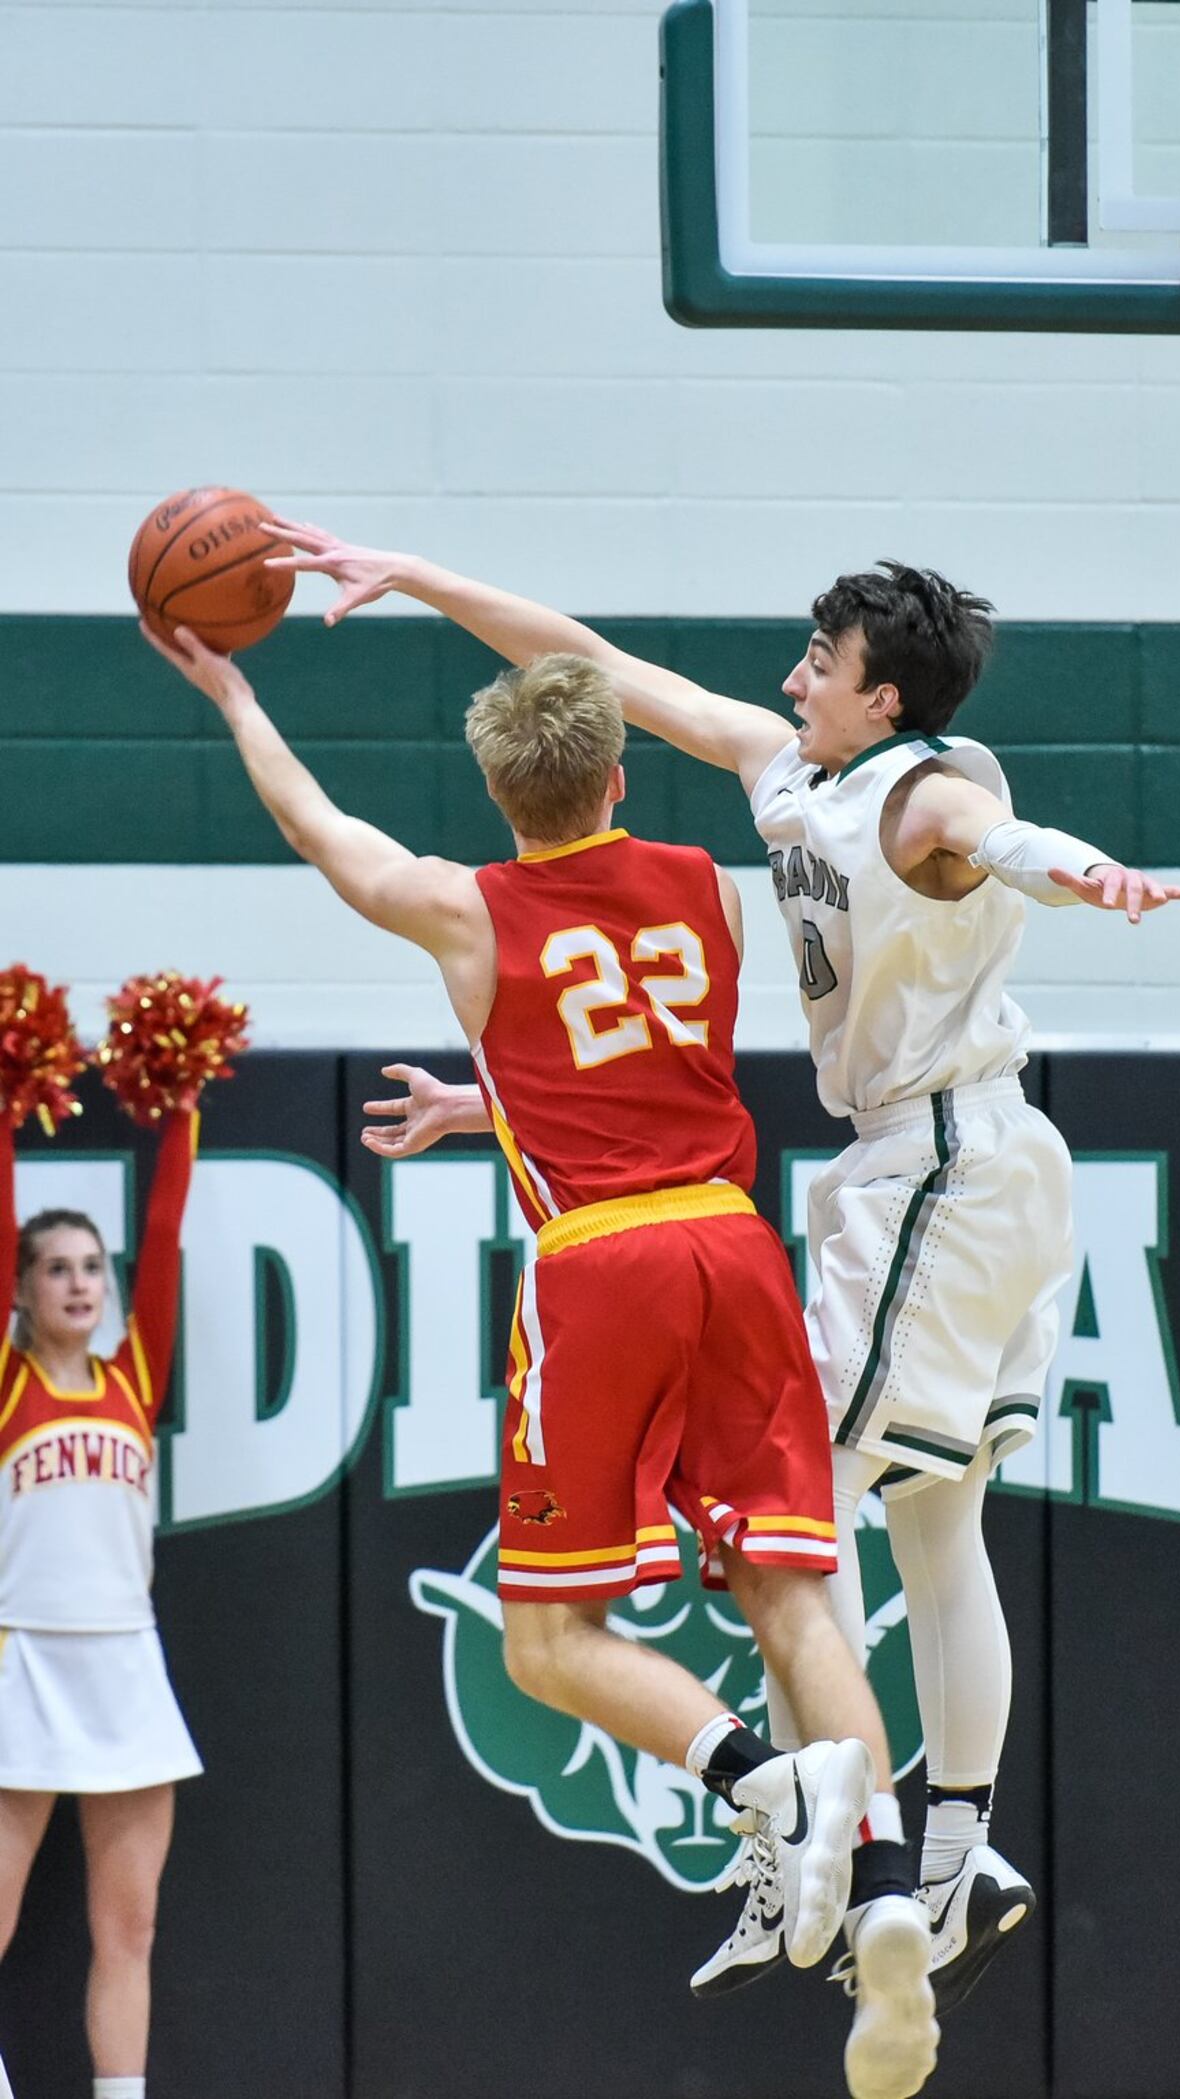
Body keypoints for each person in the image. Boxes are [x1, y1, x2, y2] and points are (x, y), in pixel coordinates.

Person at [258, 518, 1180, 2009]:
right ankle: (951, 1848)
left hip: (936, 1161)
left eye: (822, 661)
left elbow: (996, 837)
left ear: (886, 695)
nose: (792, 673)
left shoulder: (918, 788)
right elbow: (602, 668)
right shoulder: (781, 770)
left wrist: (1093, 875)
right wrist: (422, 578)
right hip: (978, 1161)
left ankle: (833, 1844)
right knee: (932, 1523)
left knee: (792, 1528)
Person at [142, 624, 938, 2099]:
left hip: (604, 1264)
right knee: (793, 1590)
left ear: (501, 794)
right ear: (620, 773)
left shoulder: (466, 908)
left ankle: (764, 1787)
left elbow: (324, 832)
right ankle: (890, 1884)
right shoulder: (706, 887)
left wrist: (238, 692)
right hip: (731, 1237)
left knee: (543, 1639)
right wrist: (493, 1099)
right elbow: (624, 1053)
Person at [0, 1102, 201, 2099]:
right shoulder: (6, 1380)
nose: (80, 1281)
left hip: (125, 1659)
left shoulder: (134, 1376)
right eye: (55, 1266)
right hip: (21, 1657)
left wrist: (183, 1111)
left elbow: (164, 1235)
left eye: (91, 1265)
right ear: (24, 1286)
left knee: (130, 1925)